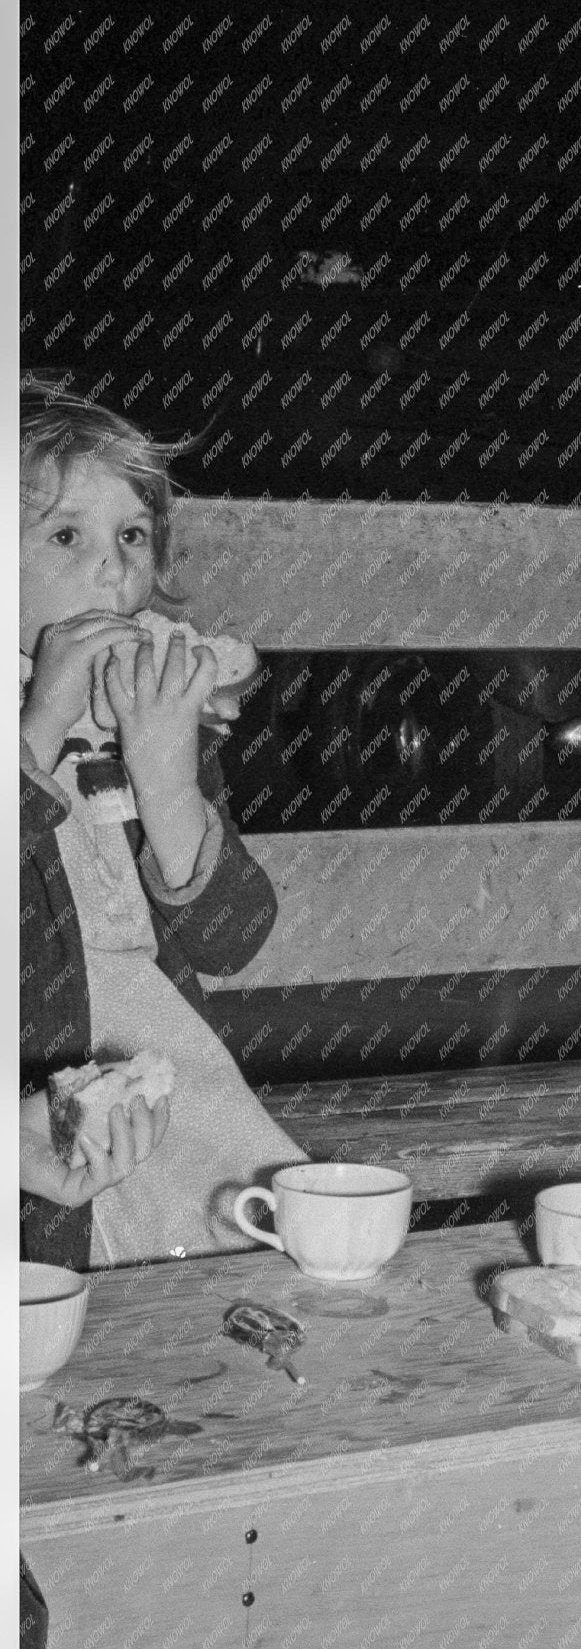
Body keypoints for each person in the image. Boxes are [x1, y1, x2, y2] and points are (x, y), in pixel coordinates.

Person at [19, 372, 306, 1269]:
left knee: (253, 1238)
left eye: (133, 535)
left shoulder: (154, 715)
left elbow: (231, 938)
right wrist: (38, 731)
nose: (112, 566)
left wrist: (168, 778)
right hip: (25, 1089)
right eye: (66, 534)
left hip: (157, 1066)